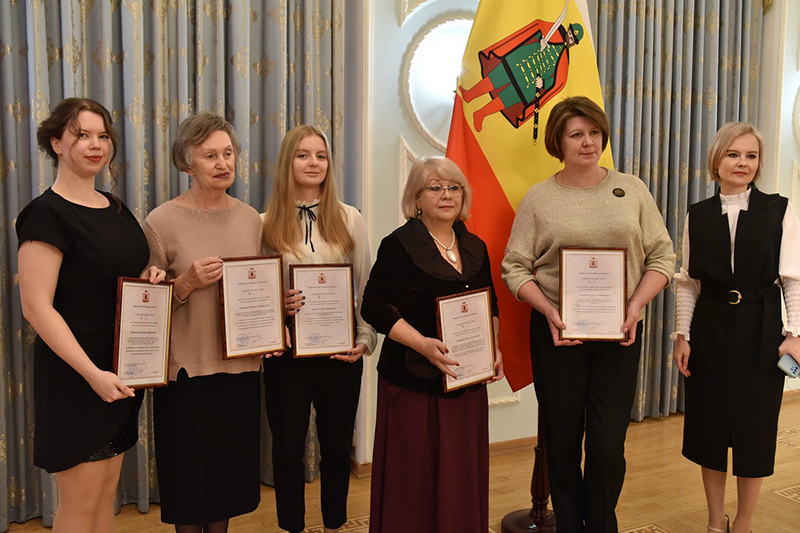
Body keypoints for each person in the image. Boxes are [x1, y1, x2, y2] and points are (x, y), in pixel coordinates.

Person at [501, 96, 675, 532]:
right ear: (558, 142)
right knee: (561, 443)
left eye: (594, 132)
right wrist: (548, 310)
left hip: (620, 334)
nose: (588, 142)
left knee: (607, 444)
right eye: (576, 134)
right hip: (558, 336)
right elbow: (514, 267)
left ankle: (599, 523)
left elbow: (663, 256)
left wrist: (635, 306)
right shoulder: (539, 198)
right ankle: (569, 525)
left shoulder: (632, 189)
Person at [17, 97, 164, 532]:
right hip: (77, 377)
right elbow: (35, 307)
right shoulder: (46, 213)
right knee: (80, 505)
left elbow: (115, 277)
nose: (95, 145)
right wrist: (92, 374)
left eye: (102, 135)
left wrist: (148, 278)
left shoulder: (115, 208)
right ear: (56, 143)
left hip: (119, 373)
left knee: (104, 497)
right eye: (82, 135)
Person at [361, 156, 504, 533]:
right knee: (414, 482)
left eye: (454, 187)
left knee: (460, 480)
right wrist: (422, 344)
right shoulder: (398, 245)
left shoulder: (475, 245)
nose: (446, 195)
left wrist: (494, 348)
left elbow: (490, 304)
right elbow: (373, 305)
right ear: (417, 198)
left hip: (465, 384)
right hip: (413, 386)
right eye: (435, 188)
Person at [143, 113, 270, 533]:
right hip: (187, 375)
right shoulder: (160, 221)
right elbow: (146, 309)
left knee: (226, 486)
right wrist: (186, 283)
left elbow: (258, 289)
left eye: (228, 153)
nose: (223, 163)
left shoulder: (251, 219)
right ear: (187, 162)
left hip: (240, 370)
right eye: (210, 155)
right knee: (188, 486)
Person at [672, 122, 800, 533]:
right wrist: (682, 335)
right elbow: (689, 282)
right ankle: (715, 521)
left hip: (761, 332)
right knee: (709, 430)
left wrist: (795, 335)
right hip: (709, 332)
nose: (743, 163)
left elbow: (793, 279)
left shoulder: (779, 210)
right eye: (733, 154)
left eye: (751, 156)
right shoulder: (698, 214)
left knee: (754, 433)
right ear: (717, 160)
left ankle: (743, 524)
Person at [261, 125, 377, 533]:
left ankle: (334, 524)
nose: (313, 163)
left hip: (340, 354)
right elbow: (253, 294)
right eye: (303, 155)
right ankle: (291, 526)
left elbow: (367, 286)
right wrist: (278, 305)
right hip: (287, 354)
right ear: (287, 163)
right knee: (287, 449)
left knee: (337, 447)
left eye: (321, 156)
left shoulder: (350, 218)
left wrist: (365, 339)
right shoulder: (263, 223)